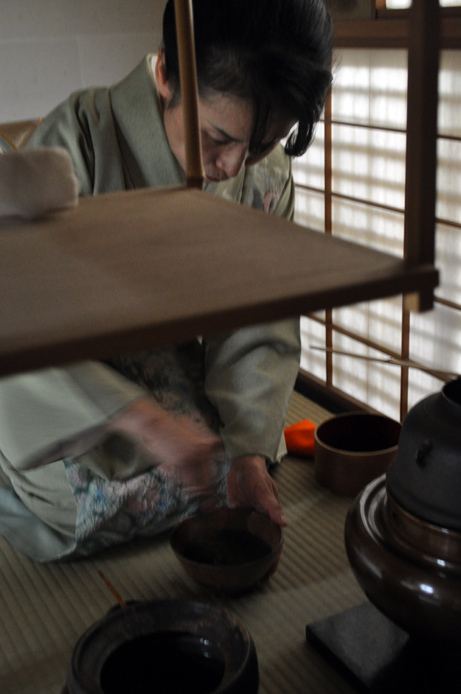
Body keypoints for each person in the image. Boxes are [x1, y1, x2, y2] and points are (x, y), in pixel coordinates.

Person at [0, 0, 333, 561]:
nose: (235, 165)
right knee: (99, 495)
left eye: (263, 143)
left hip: (183, 371)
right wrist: (143, 420)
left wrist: (250, 450)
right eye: (217, 136)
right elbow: (14, 312)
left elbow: (261, 316)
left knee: (234, 463)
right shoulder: (76, 143)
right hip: (83, 388)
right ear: (164, 75)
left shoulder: (263, 174)